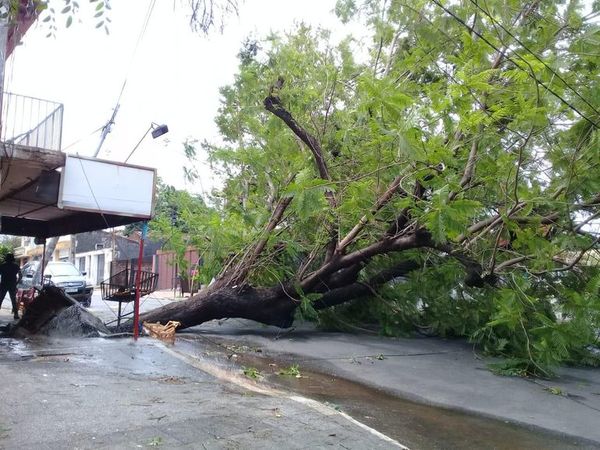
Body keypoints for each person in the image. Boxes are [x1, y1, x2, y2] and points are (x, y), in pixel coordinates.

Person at [0, 253, 22, 320]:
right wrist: (16, 283)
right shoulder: (16, 266)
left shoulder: (2, 266)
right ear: (12, 259)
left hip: (3, 285)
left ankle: (16, 314)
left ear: (6, 259)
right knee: (13, 300)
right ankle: (16, 315)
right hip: (12, 285)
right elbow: (20, 276)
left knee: (0, 299)